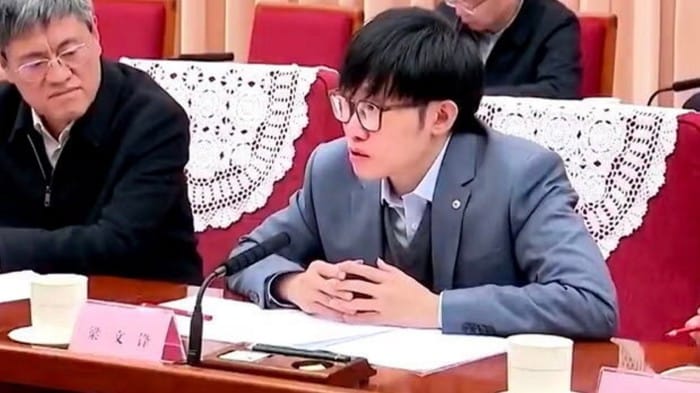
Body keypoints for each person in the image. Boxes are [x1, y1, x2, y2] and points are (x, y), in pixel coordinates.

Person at [228, 7, 617, 338]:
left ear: (441, 116)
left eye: (373, 111)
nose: (353, 128)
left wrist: (435, 309)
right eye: (346, 105)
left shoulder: (521, 176)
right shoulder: (333, 168)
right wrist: (294, 285)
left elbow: (589, 301)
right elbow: (245, 257)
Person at [0, 0, 202, 283]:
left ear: (95, 33)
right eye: (35, 64)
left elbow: (116, 244)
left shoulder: (154, 118)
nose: (59, 76)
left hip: (144, 303)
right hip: (26, 304)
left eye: (70, 52)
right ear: (4, 65)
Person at [437, 0, 582, 99]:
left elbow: (559, 91)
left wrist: (470, 97)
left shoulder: (555, 23)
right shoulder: (445, 15)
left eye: (468, 3)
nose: (458, 11)